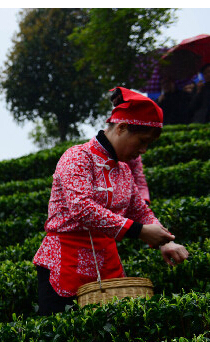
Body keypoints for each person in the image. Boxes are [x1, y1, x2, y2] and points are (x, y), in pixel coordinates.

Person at [33, 87, 189, 314]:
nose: (143, 150)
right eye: (141, 141)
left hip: (108, 266)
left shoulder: (124, 170)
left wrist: (165, 241)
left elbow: (140, 211)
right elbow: (82, 209)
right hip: (66, 263)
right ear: (122, 128)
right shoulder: (78, 156)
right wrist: (139, 231)